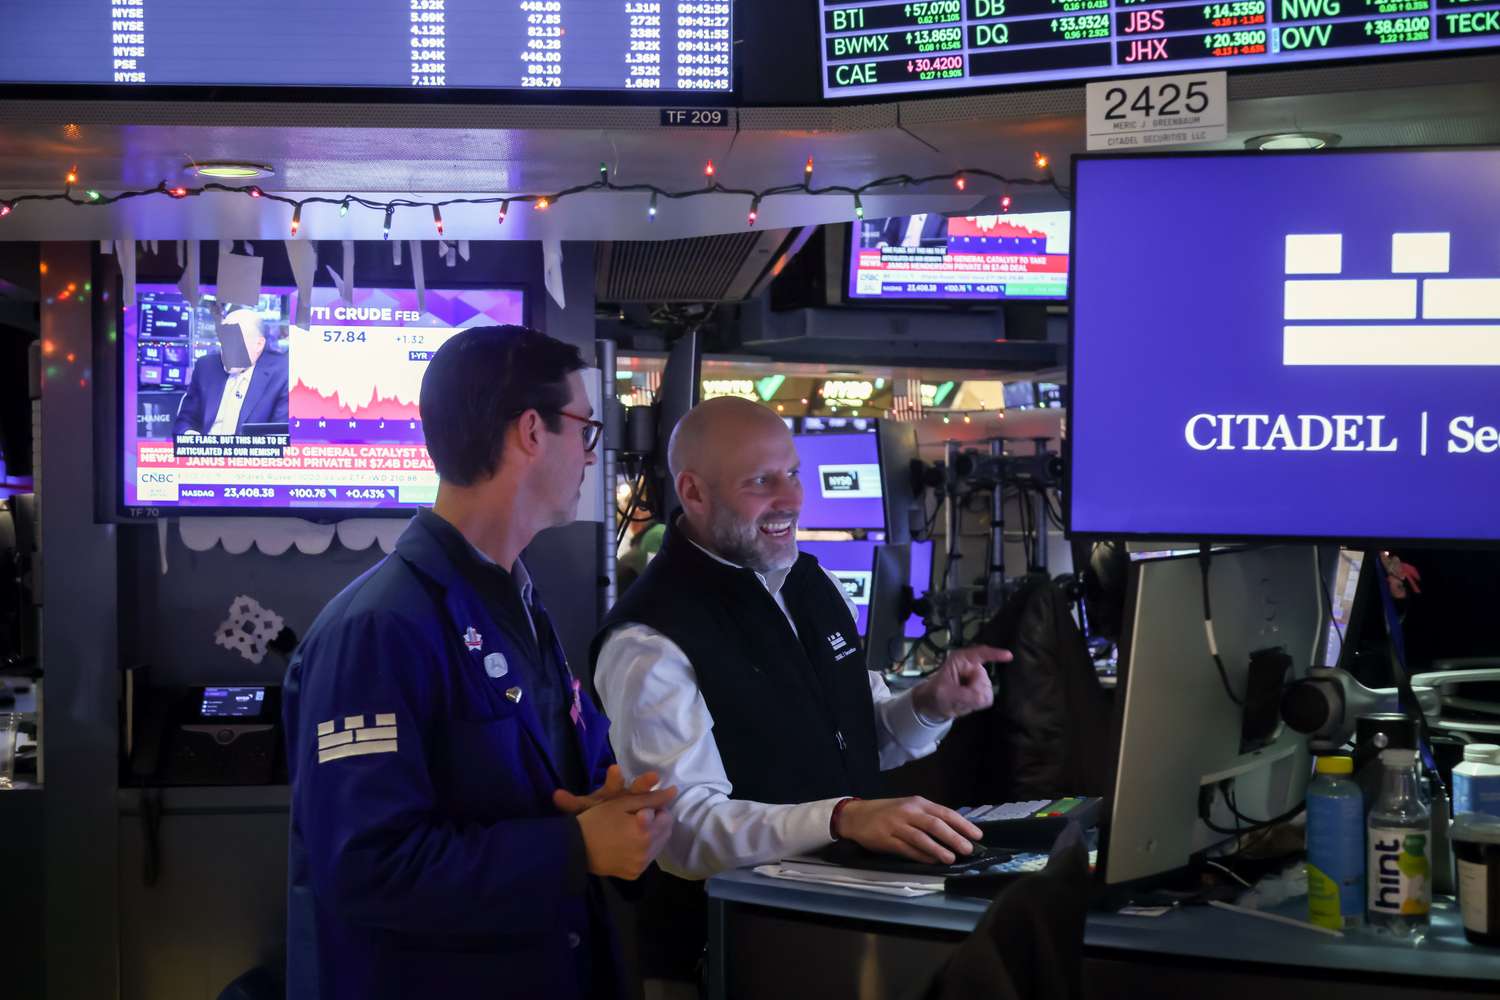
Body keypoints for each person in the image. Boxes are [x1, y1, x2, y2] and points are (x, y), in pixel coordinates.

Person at [283, 325, 675, 1000]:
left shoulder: (515, 600)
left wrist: (607, 807)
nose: (590, 455)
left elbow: (543, 782)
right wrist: (575, 848)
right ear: (531, 431)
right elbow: (367, 867)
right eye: (585, 429)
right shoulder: (376, 630)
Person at [591, 395, 1009, 984]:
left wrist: (927, 705)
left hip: (843, 929)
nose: (791, 499)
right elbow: (683, 833)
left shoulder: (812, 583)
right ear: (694, 493)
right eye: (761, 481)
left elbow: (854, 736)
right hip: (729, 952)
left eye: (792, 474)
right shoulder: (650, 638)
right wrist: (841, 819)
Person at [172, 307, 289, 436]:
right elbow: (184, 421)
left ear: (259, 345)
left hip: (249, 448)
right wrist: (190, 437)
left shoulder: (282, 374)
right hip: (206, 447)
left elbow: (278, 437)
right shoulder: (206, 367)